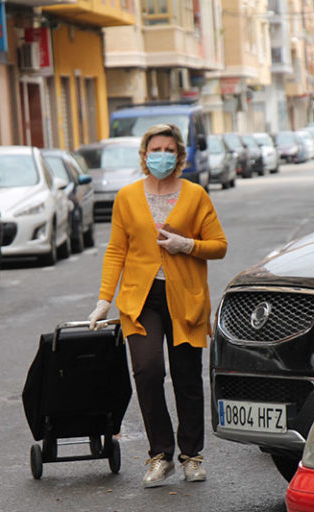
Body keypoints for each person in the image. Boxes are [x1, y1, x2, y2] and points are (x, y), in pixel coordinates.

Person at [87, 123, 227, 488]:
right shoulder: (127, 196)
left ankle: (191, 456)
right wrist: (105, 299)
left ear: (178, 155)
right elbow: (117, 249)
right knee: (148, 373)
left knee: (186, 378)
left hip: (185, 299)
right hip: (140, 299)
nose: (161, 155)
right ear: (145, 155)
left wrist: (188, 245)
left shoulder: (195, 195)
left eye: (168, 149)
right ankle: (160, 454)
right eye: (155, 149)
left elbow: (219, 245)